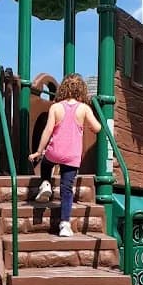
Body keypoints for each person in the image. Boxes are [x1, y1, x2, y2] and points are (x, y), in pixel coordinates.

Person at [28, 73, 101, 237]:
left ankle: (46, 184)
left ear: (63, 89)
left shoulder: (55, 107)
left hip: (55, 151)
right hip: (72, 156)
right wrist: (87, 125)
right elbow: (97, 128)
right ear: (81, 90)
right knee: (67, 189)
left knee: (46, 163)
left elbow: (47, 131)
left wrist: (39, 152)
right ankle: (65, 225)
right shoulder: (83, 109)